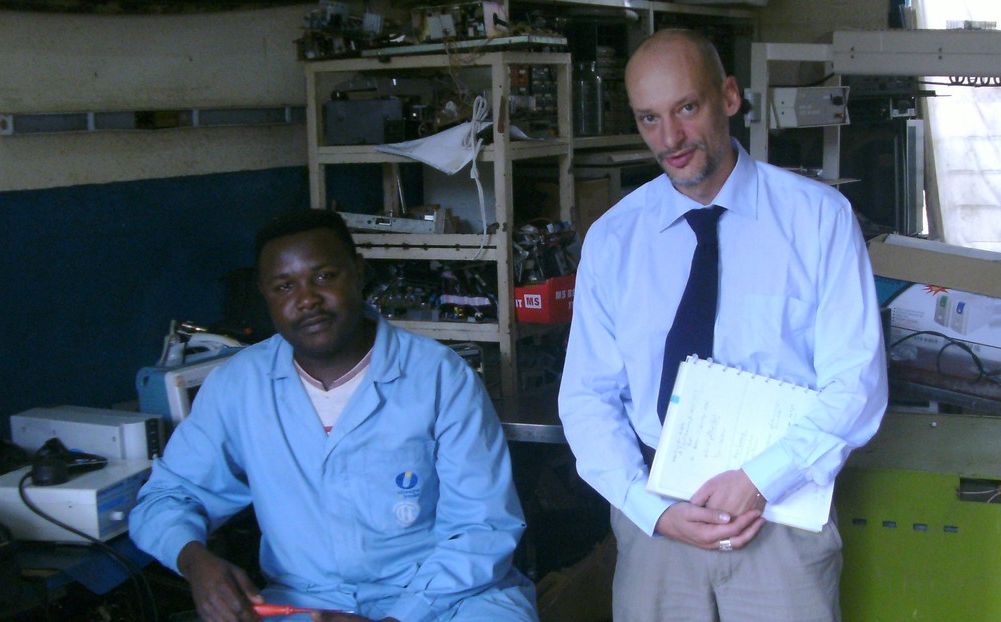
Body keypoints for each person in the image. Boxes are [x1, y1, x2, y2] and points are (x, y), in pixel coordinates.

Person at [558, 29, 888, 621]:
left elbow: (855, 384)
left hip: (781, 514)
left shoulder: (818, 221)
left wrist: (760, 478)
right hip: (657, 516)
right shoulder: (613, 240)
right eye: (649, 119)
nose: (671, 139)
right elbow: (587, 395)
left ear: (729, 97)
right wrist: (648, 507)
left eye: (687, 108)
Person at [130, 209, 538, 622]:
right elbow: (165, 497)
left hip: (444, 597)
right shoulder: (238, 385)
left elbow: (482, 526)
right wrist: (196, 563)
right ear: (265, 295)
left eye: (324, 276)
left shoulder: (439, 376)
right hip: (304, 603)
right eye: (284, 286)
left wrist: (402, 617)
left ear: (359, 273)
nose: (306, 299)